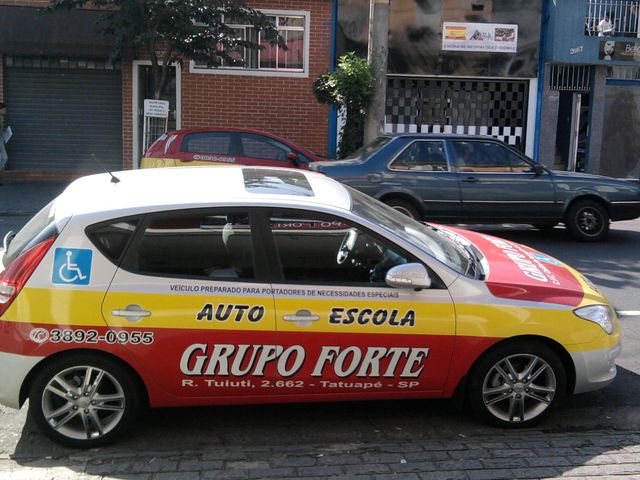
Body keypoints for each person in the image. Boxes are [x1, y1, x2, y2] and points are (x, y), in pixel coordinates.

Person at [0, 102, 9, 170]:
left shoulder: (1, 119)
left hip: (1, 140)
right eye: (4, 110)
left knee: (4, 158)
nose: (5, 111)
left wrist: (4, 129)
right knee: (4, 157)